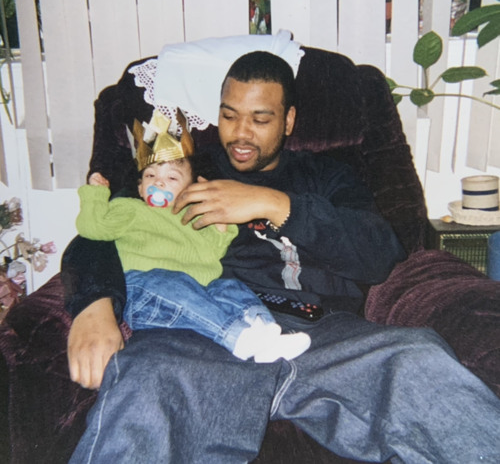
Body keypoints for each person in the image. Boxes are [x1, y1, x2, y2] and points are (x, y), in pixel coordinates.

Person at [65, 51, 500, 463]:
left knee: (419, 359)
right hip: (203, 333)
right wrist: (93, 304)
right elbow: (98, 234)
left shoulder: (327, 176)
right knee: (144, 385)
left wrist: (273, 204)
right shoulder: (183, 171)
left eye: (260, 119)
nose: (241, 133)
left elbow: (381, 253)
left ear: (288, 120)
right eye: (229, 116)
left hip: (324, 337)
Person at [75, 120, 310, 363]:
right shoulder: (129, 208)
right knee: (172, 283)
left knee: (228, 287)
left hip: (198, 293)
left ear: (190, 190)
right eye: (151, 175)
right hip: (143, 291)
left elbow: (212, 253)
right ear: (141, 187)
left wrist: (220, 222)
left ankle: (264, 331)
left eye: (172, 178)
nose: (159, 182)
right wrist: (96, 194)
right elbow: (93, 228)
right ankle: (237, 337)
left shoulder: (195, 217)